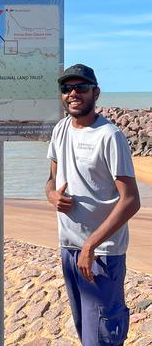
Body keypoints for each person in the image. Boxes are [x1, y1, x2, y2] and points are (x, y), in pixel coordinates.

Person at [46, 64, 141, 345]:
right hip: (69, 248)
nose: (73, 93)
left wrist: (90, 246)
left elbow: (131, 200)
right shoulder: (60, 129)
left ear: (95, 93)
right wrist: (52, 195)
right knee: (85, 330)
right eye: (67, 88)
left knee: (102, 336)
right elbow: (50, 181)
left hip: (101, 254)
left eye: (81, 88)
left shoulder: (109, 136)